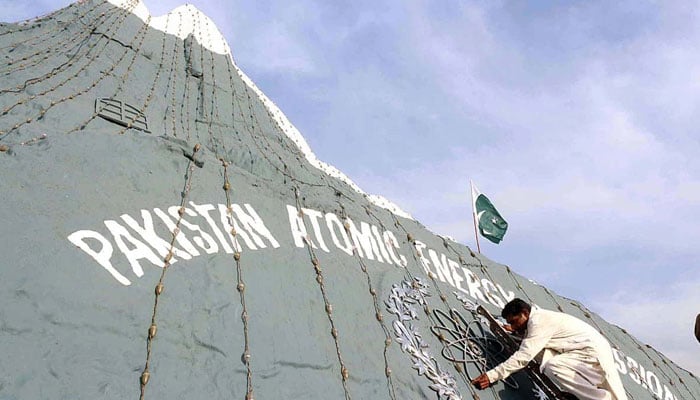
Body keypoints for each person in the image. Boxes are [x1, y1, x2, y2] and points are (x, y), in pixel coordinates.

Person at [471, 299, 628, 400]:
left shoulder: (539, 321)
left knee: (552, 366)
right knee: (548, 360)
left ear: (525, 313)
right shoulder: (537, 322)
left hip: (589, 352)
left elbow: (524, 356)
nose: (513, 326)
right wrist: (517, 332)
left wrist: (492, 375)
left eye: (515, 321)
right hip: (582, 351)